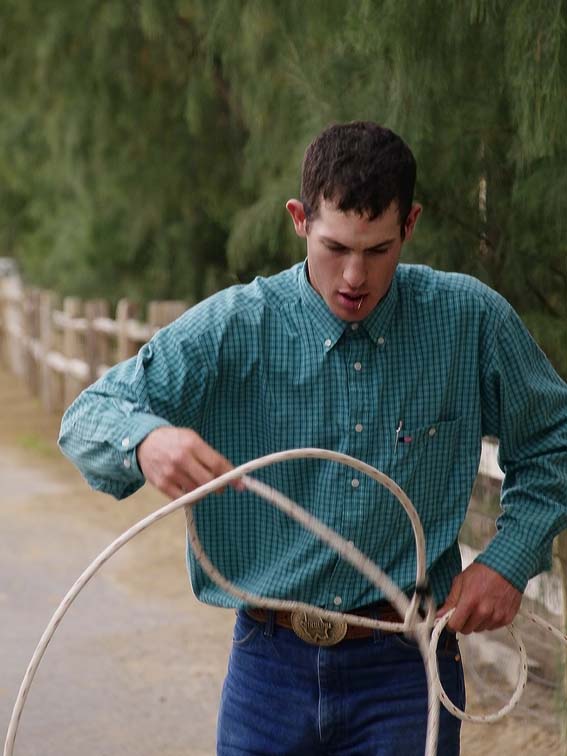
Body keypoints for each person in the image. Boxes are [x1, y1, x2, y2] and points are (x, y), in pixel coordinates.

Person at [59, 121, 567, 755]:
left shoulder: (469, 322)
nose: (354, 275)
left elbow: (554, 439)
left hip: (408, 668)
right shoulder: (236, 326)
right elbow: (88, 416)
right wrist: (146, 441)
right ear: (299, 219)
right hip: (268, 667)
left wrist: (507, 562)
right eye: (335, 246)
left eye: (378, 250)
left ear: (409, 225)